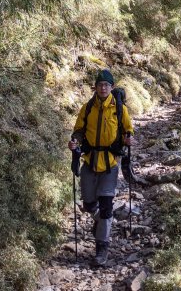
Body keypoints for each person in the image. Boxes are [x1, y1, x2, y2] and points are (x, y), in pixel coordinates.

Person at [68, 69, 134, 266]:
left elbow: (127, 129)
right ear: (95, 87)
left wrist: (129, 139)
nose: (103, 88)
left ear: (111, 87)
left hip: (110, 163)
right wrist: (74, 142)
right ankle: (99, 220)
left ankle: (101, 249)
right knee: (88, 204)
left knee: (106, 207)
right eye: (100, 85)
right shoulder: (87, 108)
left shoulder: (120, 108)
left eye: (106, 85)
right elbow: (79, 131)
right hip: (89, 160)